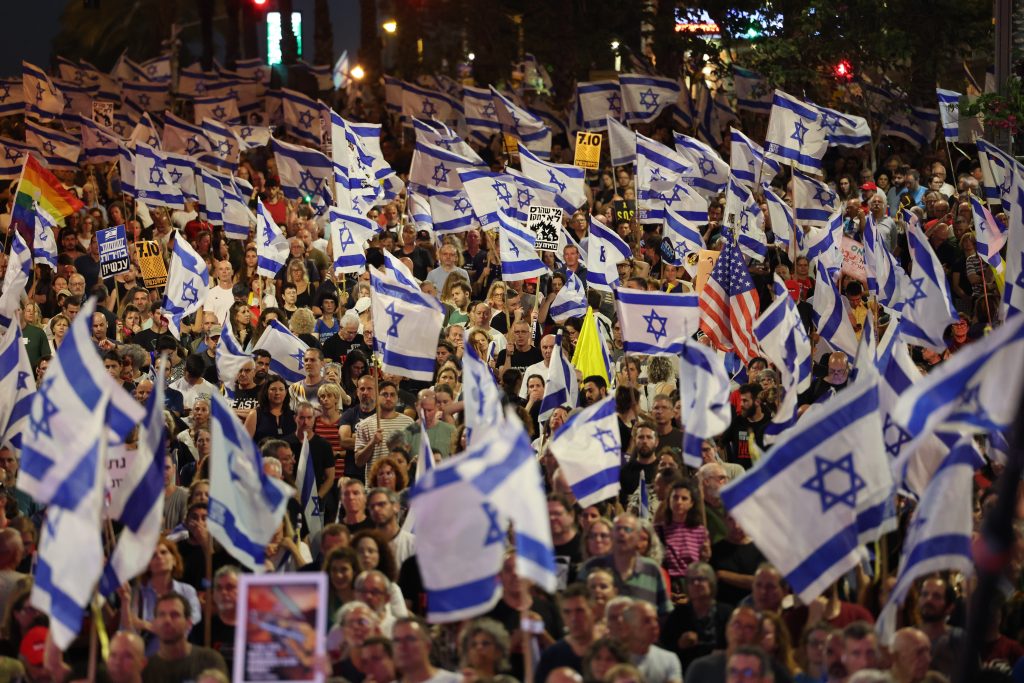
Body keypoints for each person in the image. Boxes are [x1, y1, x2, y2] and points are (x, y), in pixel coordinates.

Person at [580, 513, 671, 617]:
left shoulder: (651, 569)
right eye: (618, 529)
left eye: (627, 529)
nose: (622, 533)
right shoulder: (591, 567)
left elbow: (665, 613)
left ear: (638, 537)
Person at [660, 562, 731, 671]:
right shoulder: (679, 614)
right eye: (691, 581)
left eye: (700, 579)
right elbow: (666, 647)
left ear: (711, 582)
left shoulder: (727, 613)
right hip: (688, 671)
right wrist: (679, 644)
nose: (696, 583)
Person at [141, 593, 227, 682]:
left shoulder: (210, 661)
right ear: (154, 622)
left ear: (188, 623)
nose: (167, 620)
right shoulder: (145, 669)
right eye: (161, 615)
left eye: (174, 615)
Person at [535, 584, 596, 683]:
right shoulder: (551, 656)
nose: (573, 618)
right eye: (567, 612)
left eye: (579, 611)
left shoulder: (606, 653)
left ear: (593, 611)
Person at [354, 381, 415, 478]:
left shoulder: (409, 422)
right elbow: (358, 462)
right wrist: (372, 442)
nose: (389, 398)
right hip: (375, 483)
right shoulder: (364, 425)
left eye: (392, 395)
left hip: (401, 483)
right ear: (376, 397)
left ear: (397, 398)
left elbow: (415, 456)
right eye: (385, 394)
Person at [624, 600, 683, 683]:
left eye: (656, 620)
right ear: (628, 627)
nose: (654, 625)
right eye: (646, 621)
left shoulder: (669, 659)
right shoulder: (613, 659)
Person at [391, 617, 462, 683]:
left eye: (410, 639)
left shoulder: (456, 681)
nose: (402, 646)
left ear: (427, 646)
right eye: (397, 641)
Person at [457, 618, 517, 682]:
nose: (479, 647)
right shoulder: (459, 680)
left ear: (498, 651)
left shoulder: (507, 681)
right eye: (473, 645)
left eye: (485, 643)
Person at [367, 487, 416, 566]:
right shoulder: (366, 544)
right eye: (372, 506)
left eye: (381, 504)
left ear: (396, 507)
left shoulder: (413, 543)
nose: (376, 509)